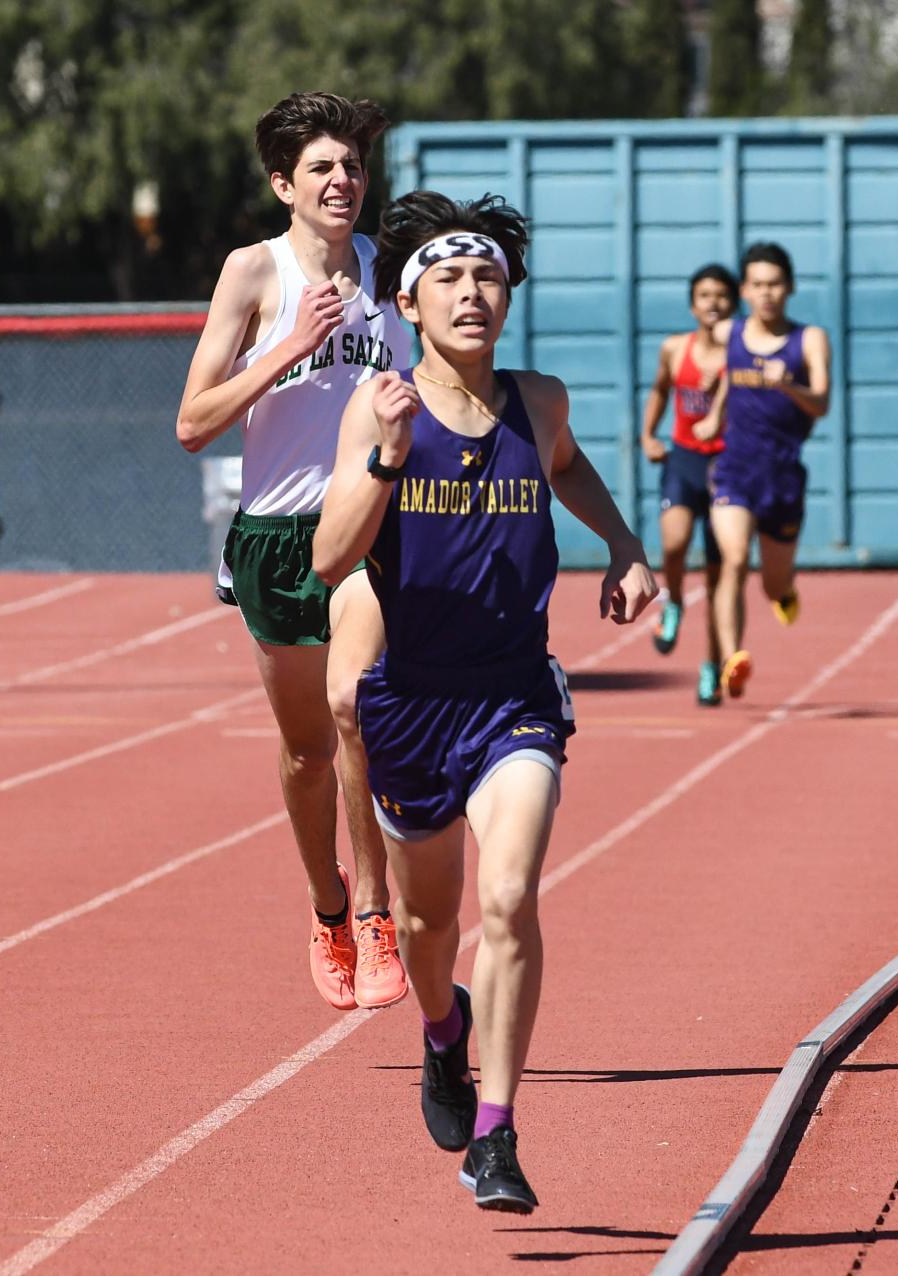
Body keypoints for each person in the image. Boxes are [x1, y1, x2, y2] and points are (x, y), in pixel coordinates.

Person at [313, 192, 657, 1213]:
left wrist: (624, 543)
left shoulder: (538, 402)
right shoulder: (378, 406)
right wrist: (381, 456)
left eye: (489, 277)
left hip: (512, 696)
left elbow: (566, 464)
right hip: (411, 705)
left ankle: (498, 1138)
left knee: (507, 898)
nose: (474, 293)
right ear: (409, 304)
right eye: (450, 279)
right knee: (429, 926)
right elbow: (330, 556)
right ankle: (441, 1031)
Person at [175, 92, 413, 1011]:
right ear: (284, 184)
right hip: (276, 538)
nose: (341, 180)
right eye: (321, 167)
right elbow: (193, 423)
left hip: (368, 527)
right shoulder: (254, 272)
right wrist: (290, 347)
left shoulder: (390, 267)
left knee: (357, 710)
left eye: (352, 166)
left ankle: (378, 915)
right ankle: (328, 906)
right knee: (307, 750)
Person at [693, 242, 831, 699]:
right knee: (732, 560)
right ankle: (732, 656)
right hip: (734, 470)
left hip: (784, 477)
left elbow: (823, 403)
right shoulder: (731, 332)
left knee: (773, 584)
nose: (766, 293)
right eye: (757, 285)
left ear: (788, 287)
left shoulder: (808, 339)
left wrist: (788, 383)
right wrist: (715, 411)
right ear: (745, 290)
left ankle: (783, 591)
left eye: (774, 284)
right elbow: (726, 373)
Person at [638, 264, 738, 706]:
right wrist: (647, 434)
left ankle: (712, 666)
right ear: (692, 304)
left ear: (733, 303)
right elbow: (660, 390)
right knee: (674, 544)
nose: (712, 303)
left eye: (720, 295)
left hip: (728, 466)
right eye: (704, 295)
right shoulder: (676, 349)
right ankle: (673, 600)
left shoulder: (745, 353)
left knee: (720, 580)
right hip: (683, 459)